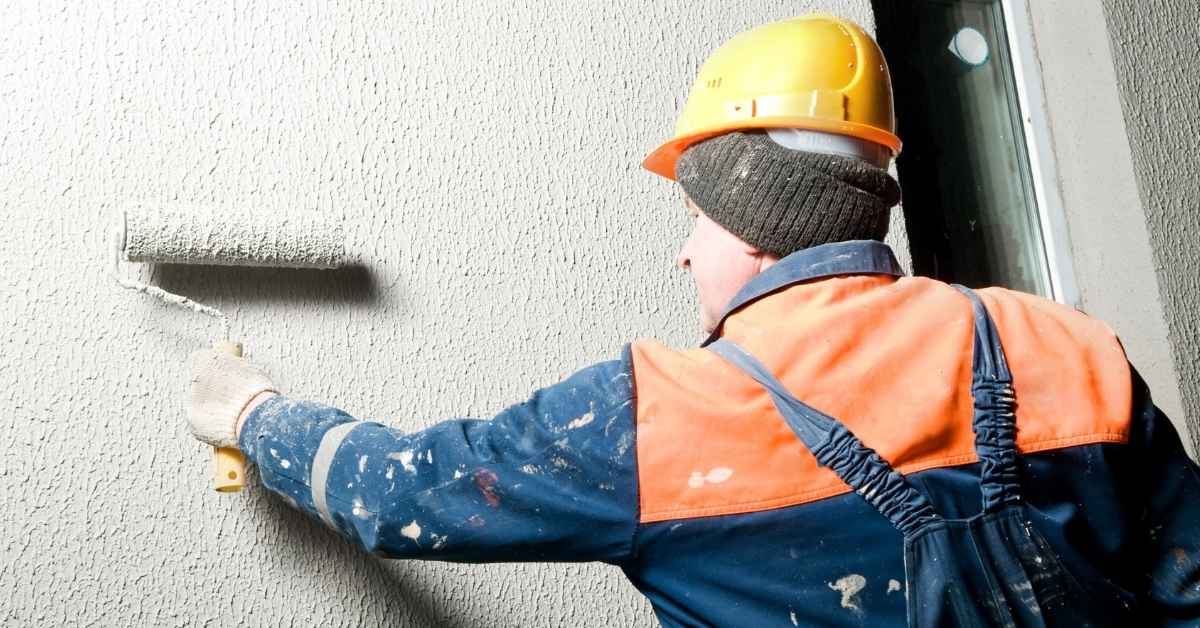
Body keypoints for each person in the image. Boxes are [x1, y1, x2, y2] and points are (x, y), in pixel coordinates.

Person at [186, 14, 1200, 627]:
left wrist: (252, 410)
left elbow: (395, 493)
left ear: (757, 221)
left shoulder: (660, 415)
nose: (684, 251)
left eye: (696, 216)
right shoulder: (1063, 345)